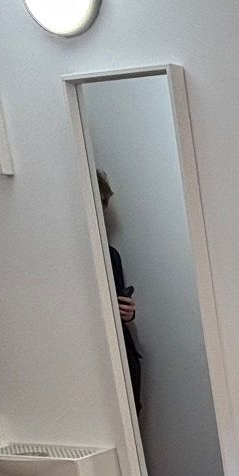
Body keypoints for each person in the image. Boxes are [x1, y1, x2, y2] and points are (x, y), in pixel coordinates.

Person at [96, 170, 142, 409]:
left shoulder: (111, 255)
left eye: (104, 204)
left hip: (122, 352)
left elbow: (121, 308)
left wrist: (127, 311)